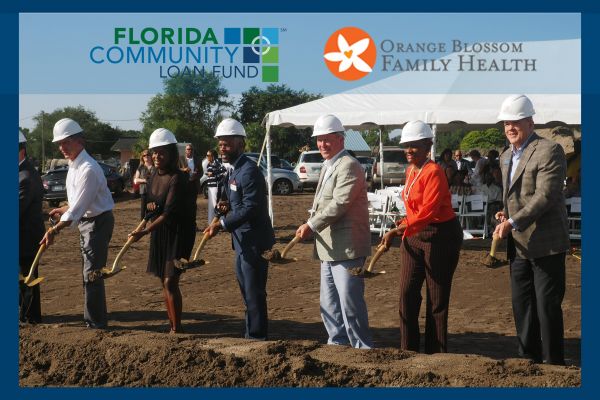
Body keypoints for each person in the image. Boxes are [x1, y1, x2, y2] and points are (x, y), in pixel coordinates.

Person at [493, 94, 570, 365]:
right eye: (506, 123)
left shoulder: (549, 150)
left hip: (547, 243)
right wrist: (506, 213)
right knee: (522, 305)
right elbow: (514, 196)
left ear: (530, 122)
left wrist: (512, 222)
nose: (510, 128)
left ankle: (552, 364)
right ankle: (527, 360)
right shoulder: (505, 157)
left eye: (516, 122)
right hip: (519, 245)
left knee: (547, 307)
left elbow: (545, 195)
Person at [381, 120, 463, 354]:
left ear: (428, 145)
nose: (408, 150)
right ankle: (408, 350)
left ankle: (436, 355)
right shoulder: (410, 170)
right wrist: (402, 226)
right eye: (406, 145)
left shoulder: (434, 171)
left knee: (436, 299)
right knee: (407, 292)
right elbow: (413, 209)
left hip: (441, 236)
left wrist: (398, 230)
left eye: (414, 145)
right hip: (414, 233)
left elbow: (428, 210)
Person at [295, 114, 373, 349]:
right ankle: (337, 345)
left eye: (327, 139)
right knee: (329, 304)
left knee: (350, 302)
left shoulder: (349, 165)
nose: (322, 145)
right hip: (329, 247)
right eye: (319, 140)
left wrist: (311, 225)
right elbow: (324, 203)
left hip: (347, 247)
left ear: (341, 139)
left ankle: (362, 348)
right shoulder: (331, 165)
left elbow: (339, 204)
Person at [40, 118, 115, 329]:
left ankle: (96, 323)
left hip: (97, 223)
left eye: (66, 142)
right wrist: (63, 209)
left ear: (79, 141)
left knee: (92, 273)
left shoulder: (88, 169)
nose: (62, 148)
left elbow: (78, 209)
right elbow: (76, 204)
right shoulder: (74, 165)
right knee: (88, 271)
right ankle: (93, 319)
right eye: (60, 144)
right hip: (86, 220)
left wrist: (54, 229)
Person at [204, 118, 275, 340]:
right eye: (220, 144)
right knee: (246, 291)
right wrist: (221, 212)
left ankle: (257, 337)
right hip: (241, 241)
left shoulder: (249, 170)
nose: (222, 149)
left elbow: (250, 207)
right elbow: (231, 201)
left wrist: (223, 224)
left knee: (254, 293)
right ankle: (250, 333)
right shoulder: (234, 171)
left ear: (241, 144)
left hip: (254, 241)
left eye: (227, 144)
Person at [129, 128, 196, 333]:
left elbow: (168, 212)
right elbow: (149, 207)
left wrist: (145, 231)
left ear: (171, 154)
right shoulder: (151, 177)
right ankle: (172, 325)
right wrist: (144, 221)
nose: (157, 156)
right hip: (160, 232)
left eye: (161, 152)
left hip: (179, 234)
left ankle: (177, 329)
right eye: (154, 152)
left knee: (170, 281)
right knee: (163, 281)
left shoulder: (178, 178)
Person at [19, 131, 45, 324]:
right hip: (23, 236)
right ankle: (27, 314)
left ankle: (29, 317)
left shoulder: (25, 177)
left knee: (27, 278)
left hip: (26, 238)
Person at [205, 149, 227, 224]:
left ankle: (220, 222)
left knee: (216, 204)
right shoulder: (209, 164)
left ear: (212, 156)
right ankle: (213, 221)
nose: (207, 157)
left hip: (215, 186)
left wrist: (213, 174)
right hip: (210, 187)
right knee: (212, 205)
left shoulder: (217, 163)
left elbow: (224, 171)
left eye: (208, 155)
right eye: (206, 155)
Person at [133, 150, 154, 219]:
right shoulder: (140, 167)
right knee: (143, 211)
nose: (146, 156)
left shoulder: (155, 167)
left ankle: (153, 226)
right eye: (144, 155)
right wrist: (144, 180)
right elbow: (136, 180)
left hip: (154, 192)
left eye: (148, 155)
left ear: (151, 156)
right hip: (144, 191)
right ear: (142, 157)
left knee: (153, 210)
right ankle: (142, 226)